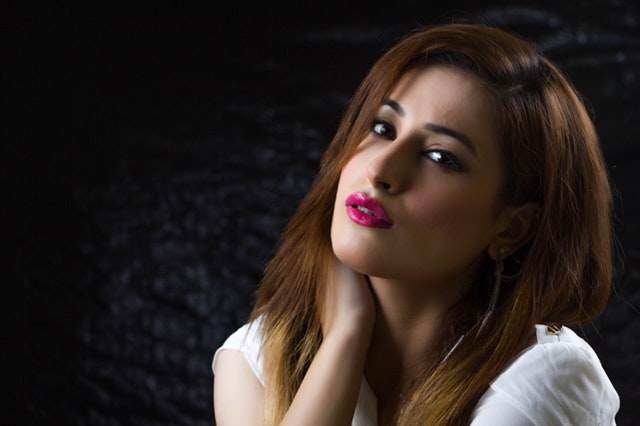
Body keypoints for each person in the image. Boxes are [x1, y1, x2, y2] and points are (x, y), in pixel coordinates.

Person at [212, 23, 620, 425]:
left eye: (441, 157)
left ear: (512, 228)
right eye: (383, 128)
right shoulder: (258, 359)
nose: (380, 169)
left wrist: (346, 333)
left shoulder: (544, 380)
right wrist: (346, 335)